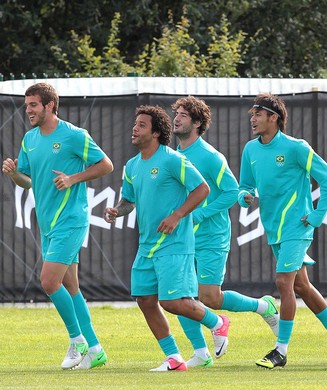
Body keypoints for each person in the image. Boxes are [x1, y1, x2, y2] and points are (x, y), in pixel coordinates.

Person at [103, 105, 227, 372]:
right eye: (135, 124)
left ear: (157, 133)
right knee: (145, 300)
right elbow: (129, 201)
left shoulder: (172, 159)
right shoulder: (132, 166)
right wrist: (117, 210)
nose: (134, 129)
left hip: (174, 243)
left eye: (142, 125)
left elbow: (203, 189)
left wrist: (178, 215)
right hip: (147, 245)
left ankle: (218, 323)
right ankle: (174, 357)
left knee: (171, 302)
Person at [2, 82, 113, 370]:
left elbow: (106, 165)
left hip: (72, 219)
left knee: (49, 281)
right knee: (70, 285)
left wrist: (73, 178)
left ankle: (77, 340)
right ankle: (96, 349)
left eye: (33, 105)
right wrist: (14, 175)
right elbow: (28, 182)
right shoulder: (30, 139)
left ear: (50, 105)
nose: (28, 110)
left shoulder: (74, 135)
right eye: (27, 105)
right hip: (47, 224)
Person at [238, 93, 327, 369]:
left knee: (283, 283)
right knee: (301, 285)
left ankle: (281, 351)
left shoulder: (296, 147)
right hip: (273, 227)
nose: (252, 118)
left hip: (297, 227)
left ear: (273, 117)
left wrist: (316, 216)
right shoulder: (250, 150)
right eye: (252, 113)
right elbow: (244, 186)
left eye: (257, 113)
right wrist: (245, 197)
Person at [171, 96, 280, 368]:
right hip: (182, 237)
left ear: (197, 123)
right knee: (178, 295)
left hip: (212, 236)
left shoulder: (209, 156)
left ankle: (263, 306)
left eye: (184, 115)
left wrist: (199, 214)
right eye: (177, 114)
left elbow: (232, 192)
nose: (177, 118)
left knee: (210, 298)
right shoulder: (173, 155)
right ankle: (200, 353)